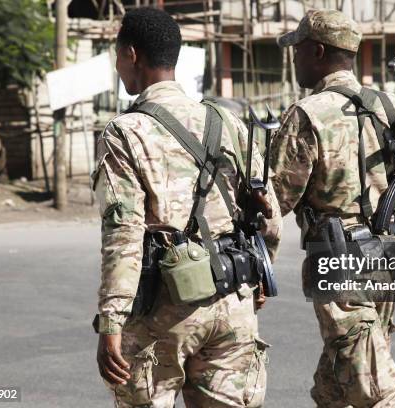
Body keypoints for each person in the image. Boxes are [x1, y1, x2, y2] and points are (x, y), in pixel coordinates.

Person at [92, 7, 282, 407]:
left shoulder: (126, 132)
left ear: (130, 54)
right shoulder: (227, 122)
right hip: (234, 300)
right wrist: (263, 275)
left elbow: (123, 235)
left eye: (116, 54)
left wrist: (111, 321)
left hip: (165, 312)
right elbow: (269, 212)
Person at [271, 9, 395, 408]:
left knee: (372, 388)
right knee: (337, 383)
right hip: (389, 257)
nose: (294, 60)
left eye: (299, 50)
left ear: (318, 52)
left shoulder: (307, 114)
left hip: (340, 262)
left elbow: (277, 200)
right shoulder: (393, 107)